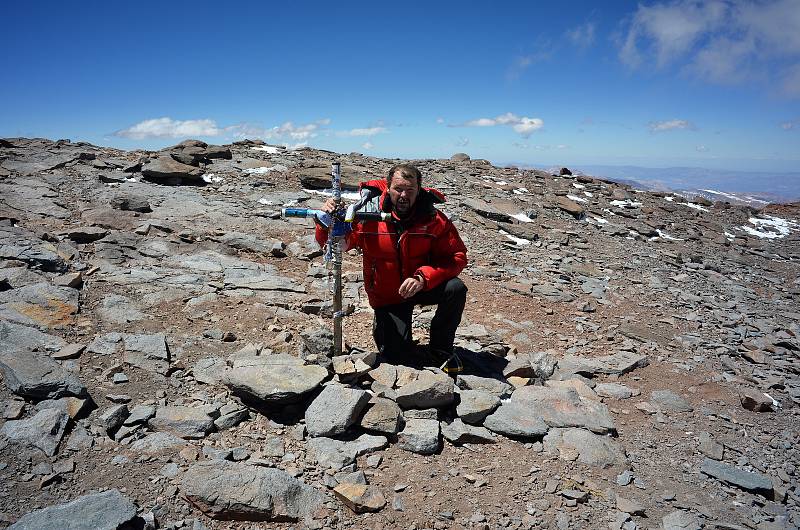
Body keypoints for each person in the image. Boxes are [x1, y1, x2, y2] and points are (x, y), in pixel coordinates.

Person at [315, 164, 468, 373]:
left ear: (419, 189)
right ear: (388, 188)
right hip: (389, 296)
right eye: (398, 189)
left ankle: (440, 349)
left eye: (410, 190)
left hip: (421, 286)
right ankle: (394, 337)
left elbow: (456, 257)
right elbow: (340, 243)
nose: (403, 195)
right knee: (396, 359)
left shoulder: (433, 219)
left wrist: (423, 278)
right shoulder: (368, 215)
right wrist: (326, 223)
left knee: (455, 289)